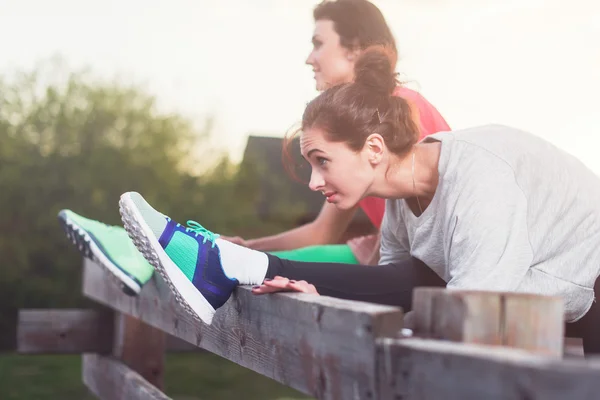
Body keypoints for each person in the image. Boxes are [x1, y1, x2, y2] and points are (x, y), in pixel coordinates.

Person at [118, 47, 600, 355]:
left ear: (373, 148)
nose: (313, 182)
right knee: (406, 276)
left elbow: (469, 321)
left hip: (591, 283)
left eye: (322, 161)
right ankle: (228, 266)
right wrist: (324, 291)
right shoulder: (400, 197)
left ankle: (227, 263)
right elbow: (396, 290)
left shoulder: (480, 183)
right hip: (530, 296)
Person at [57, 0, 450, 296]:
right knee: (238, 258)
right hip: (387, 265)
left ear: (356, 48)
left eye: (318, 43)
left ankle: (141, 257)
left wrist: (380, 247)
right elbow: (320, 231)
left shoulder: (403, 111)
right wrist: (248, 243)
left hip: (413, 275)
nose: (309, 57)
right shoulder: (355, 135)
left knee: (240, 267)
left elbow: (431, 228)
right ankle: (138, 250)